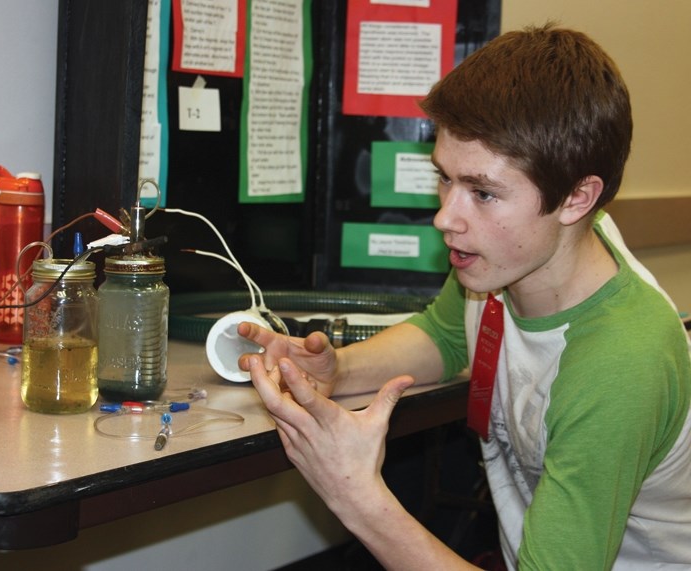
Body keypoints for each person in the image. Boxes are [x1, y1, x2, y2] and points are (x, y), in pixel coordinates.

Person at [238, 24, 691, 570]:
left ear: (577, 196)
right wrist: (340, 371)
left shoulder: (620, 359)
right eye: (445, 180)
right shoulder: (513, 260)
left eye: (483, 192)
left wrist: (356, 495)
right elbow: (448, 334)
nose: (446, 217)